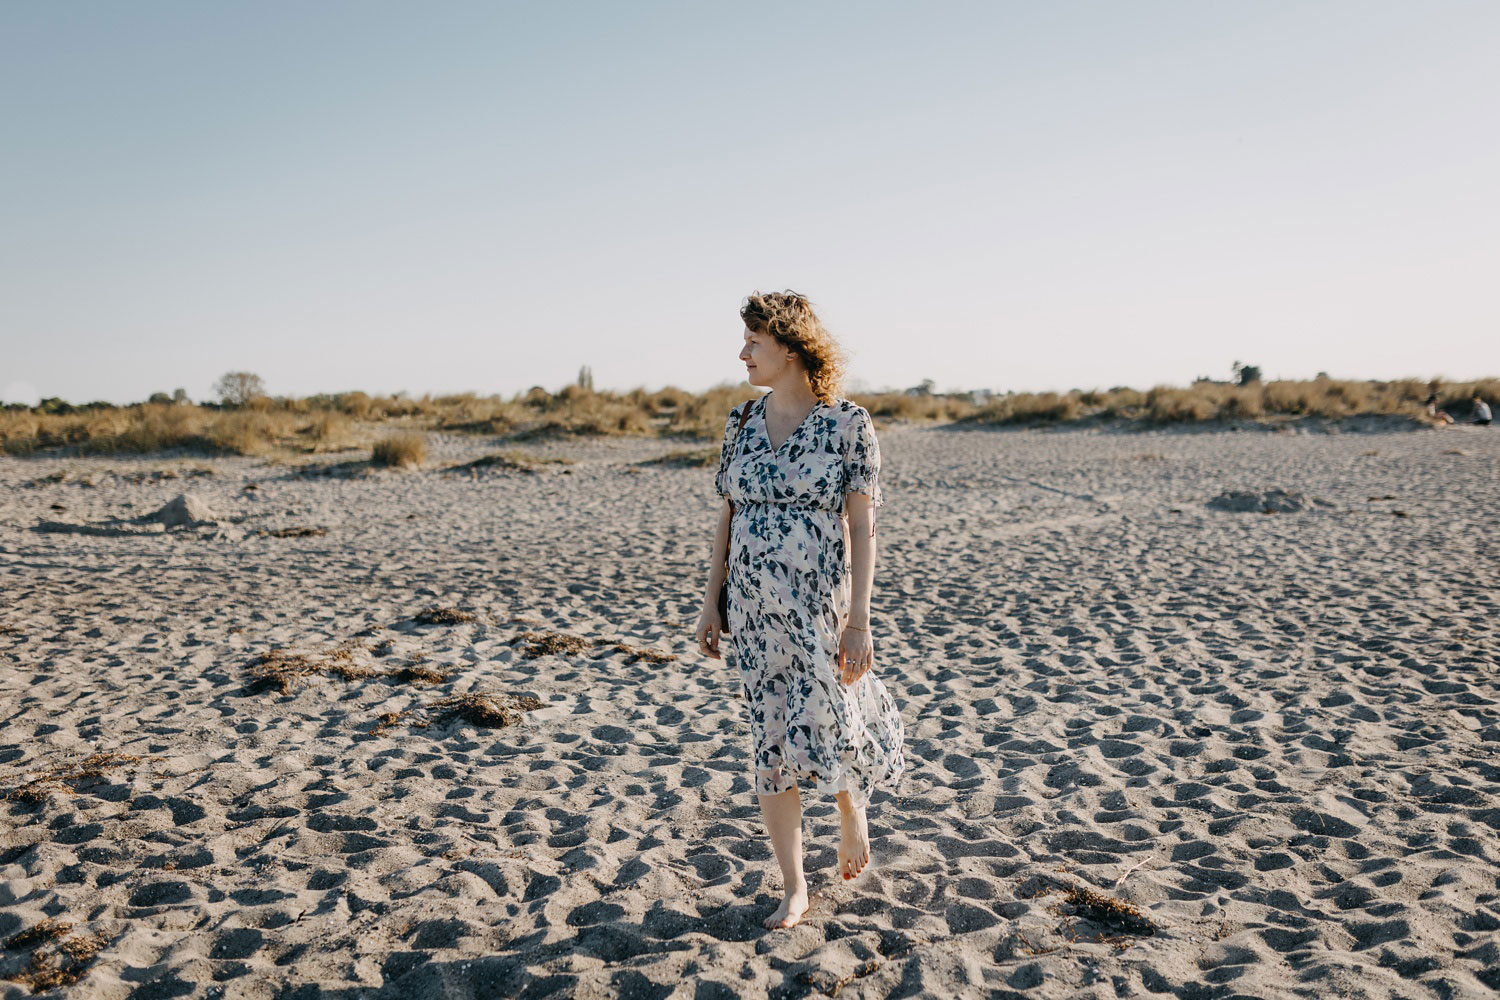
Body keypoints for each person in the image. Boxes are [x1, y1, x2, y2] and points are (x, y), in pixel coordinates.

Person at [695, 290, 906, 930]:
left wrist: (860, 620)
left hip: (820, 604)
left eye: (754, 342)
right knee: (770, 739)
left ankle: (851, 810)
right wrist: (711, 601)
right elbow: (727, 514)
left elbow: (864, 526)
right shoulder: (739, 423)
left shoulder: (847, 425)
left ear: (789, 346)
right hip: (753, 612)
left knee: (832, 717)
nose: (743, 353)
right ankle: (794, 886)